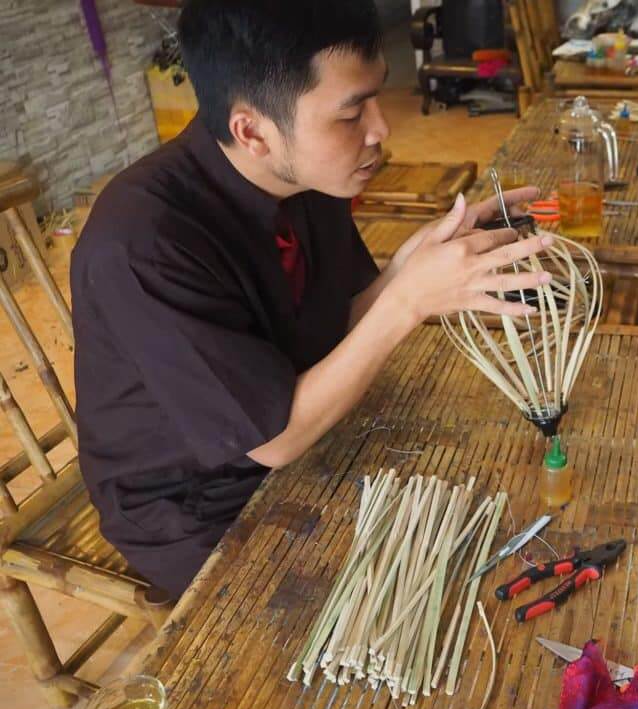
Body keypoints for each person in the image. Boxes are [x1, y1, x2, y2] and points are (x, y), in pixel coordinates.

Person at [71, 0, 550, 598]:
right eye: (351, 114)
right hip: (198, 502)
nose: (380, 129)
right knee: (413, 600)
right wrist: (407, 301)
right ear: (252, 131)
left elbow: (335, 320)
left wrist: (412, 264)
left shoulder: (308, 173)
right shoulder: (143, 241)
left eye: (376, 97)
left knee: (497, 495)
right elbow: (275, 440)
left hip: (298, 430)